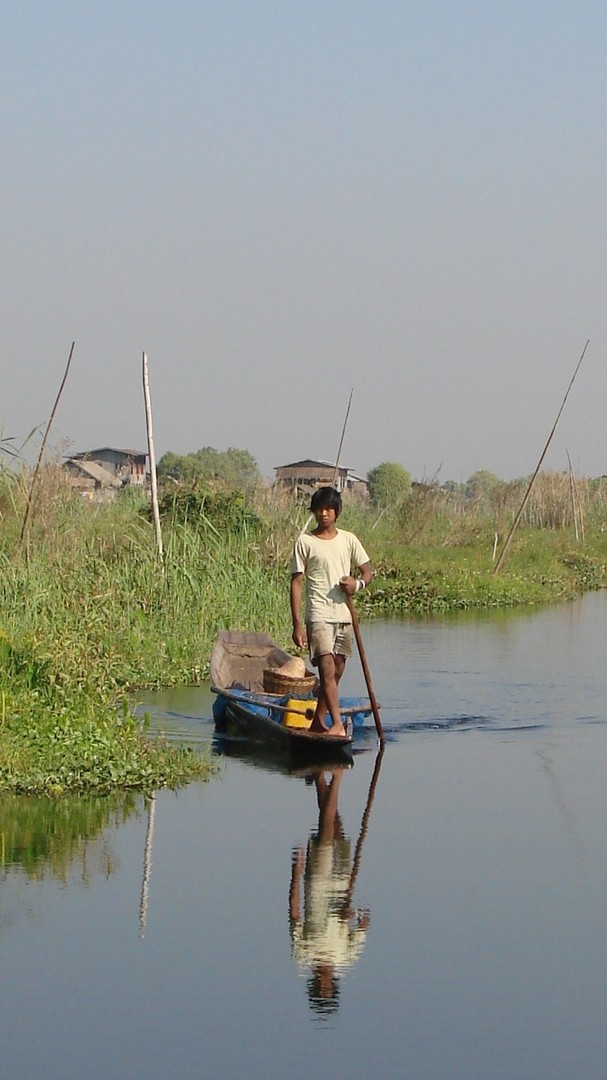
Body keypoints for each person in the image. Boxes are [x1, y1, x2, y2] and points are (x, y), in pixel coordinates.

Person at [290, 486, 372, 737]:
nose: (324, 513)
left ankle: (318, 721)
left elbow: (368, 571)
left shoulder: (349, 539)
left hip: (343, 616)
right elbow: (296, 583)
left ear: (337, 512)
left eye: (328, 509)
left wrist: (356, 584)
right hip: (319, 615)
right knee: (325, 668)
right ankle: (337, 725)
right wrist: (297, 624)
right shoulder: (305, 542)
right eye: (319, 509)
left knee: (337, 670)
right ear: (314, 512)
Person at [288, 766, 370, 1016]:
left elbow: (294, 913)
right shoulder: (346, 957)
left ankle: (335, 775)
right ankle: (318, 775)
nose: (324, 979)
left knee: (327, 822)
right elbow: (366, 920)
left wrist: (296, 873)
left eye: (321, 986)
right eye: (327, 986)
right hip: (341, 885)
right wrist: (352, 915)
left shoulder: (303, 956)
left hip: (318, 883)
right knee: (334, 821)